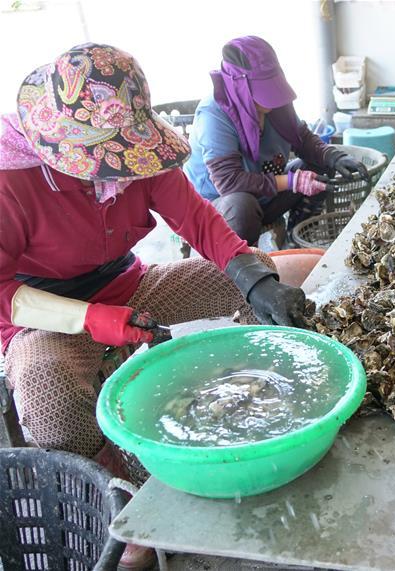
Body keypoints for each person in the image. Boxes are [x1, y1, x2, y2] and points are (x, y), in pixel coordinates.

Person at [0, 44, 310, 568]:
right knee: (46, 391)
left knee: (272, 273)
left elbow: (197, 219)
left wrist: (255, 279)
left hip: (128, 286)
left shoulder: (135, 156)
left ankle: (262, 414)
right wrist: (93, 320)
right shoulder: (13, 180)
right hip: (41, 313)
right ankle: (116, 494)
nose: (114, 170)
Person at [185, 36, 368, 246]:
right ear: (239, 87)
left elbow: (304, 140)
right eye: (262, 91)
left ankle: (296, 242)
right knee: (241, 204)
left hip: (266, 193)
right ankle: (246, 270)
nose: (271, 100)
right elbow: (229, 182)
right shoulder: (214, 114)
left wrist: (334, 156)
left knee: (320, 166)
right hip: (222, 210)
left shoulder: (276, 105)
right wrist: (293, 181)